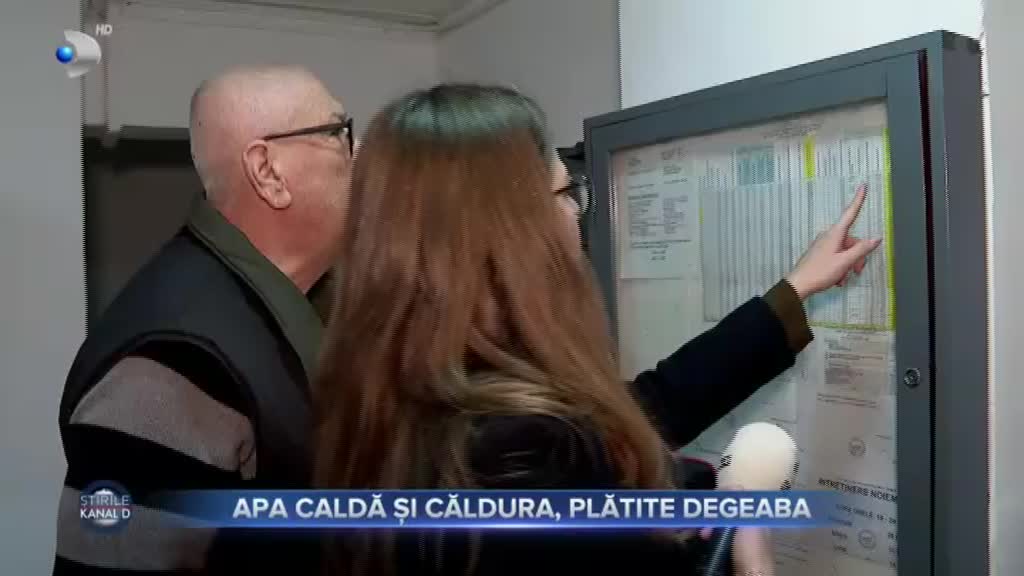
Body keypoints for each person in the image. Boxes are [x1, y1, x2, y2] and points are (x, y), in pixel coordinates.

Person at [313, 84, 881, 576]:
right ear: (511, 233)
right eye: (566, 193)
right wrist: (745, 547)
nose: (576, 213)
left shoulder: (386, 400)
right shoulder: (527, 462)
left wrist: (792, 294)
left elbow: (642, 410)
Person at [53, 65, 351, 575]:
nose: (356, 152)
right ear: (268, 172)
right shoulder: (173, 363)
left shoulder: (275, 308)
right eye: (337, 132)